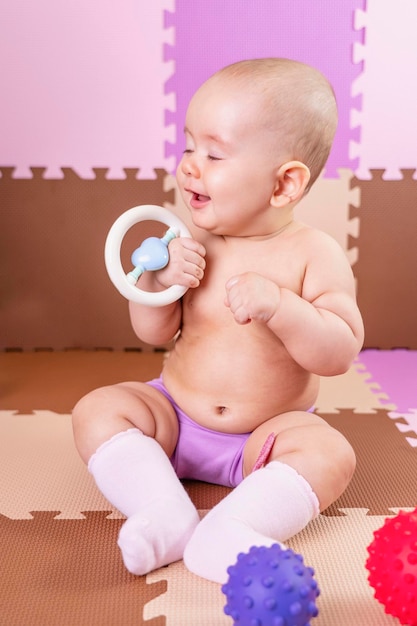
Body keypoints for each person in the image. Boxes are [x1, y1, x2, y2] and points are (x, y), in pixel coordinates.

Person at [72, 57, 364, 584]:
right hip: (175, 419)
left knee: (331, 452)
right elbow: (153, 334)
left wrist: (282, 306)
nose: (188, 166)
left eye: (214, 153)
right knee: (98, 409)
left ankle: (233, 529)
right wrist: (157, 286)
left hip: (265, 436)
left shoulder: (312, 254)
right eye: (188, 147)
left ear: (283, 186)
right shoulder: (189, 241)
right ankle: (162, 509)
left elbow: (339, 351)